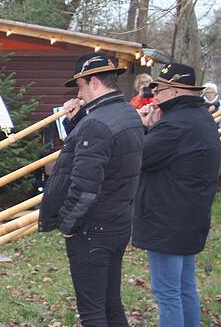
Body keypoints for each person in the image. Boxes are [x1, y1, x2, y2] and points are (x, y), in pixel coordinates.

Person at [38, 52, 144, 326]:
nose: (79, 93)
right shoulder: (126, 114)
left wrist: (68, 225)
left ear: (94, 82)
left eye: (81, 86)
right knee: (110, 304)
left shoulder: (96, 123)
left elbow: (84, 187)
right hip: (118, 221)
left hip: (92, 229)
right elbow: (104, 158)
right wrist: (76, 121)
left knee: (93, 312)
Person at [133, 63, 221, 326]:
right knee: (184, 289)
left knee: (168, 294)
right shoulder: (201, 118)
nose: (155, 95)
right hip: (190, 216)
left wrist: (142, 126)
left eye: (159, 89)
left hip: (167, 220)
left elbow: (140, 157)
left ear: (173, 91)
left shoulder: (175, 125)